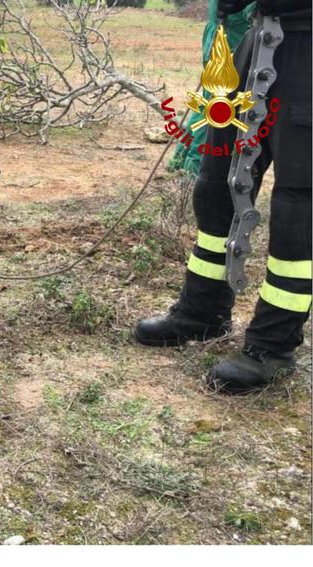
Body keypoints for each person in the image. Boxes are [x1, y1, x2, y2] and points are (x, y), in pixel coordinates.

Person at [134, 0, 311, 393]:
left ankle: (273, 346)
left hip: (307, 49)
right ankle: (202, 313)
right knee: (216, 187)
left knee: (297, 207)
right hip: (258, 38)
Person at [168, 0, 255, 176]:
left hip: (218, 38)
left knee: (206, 106)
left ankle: (178, 160)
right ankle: (194, 169)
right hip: (230, 43)